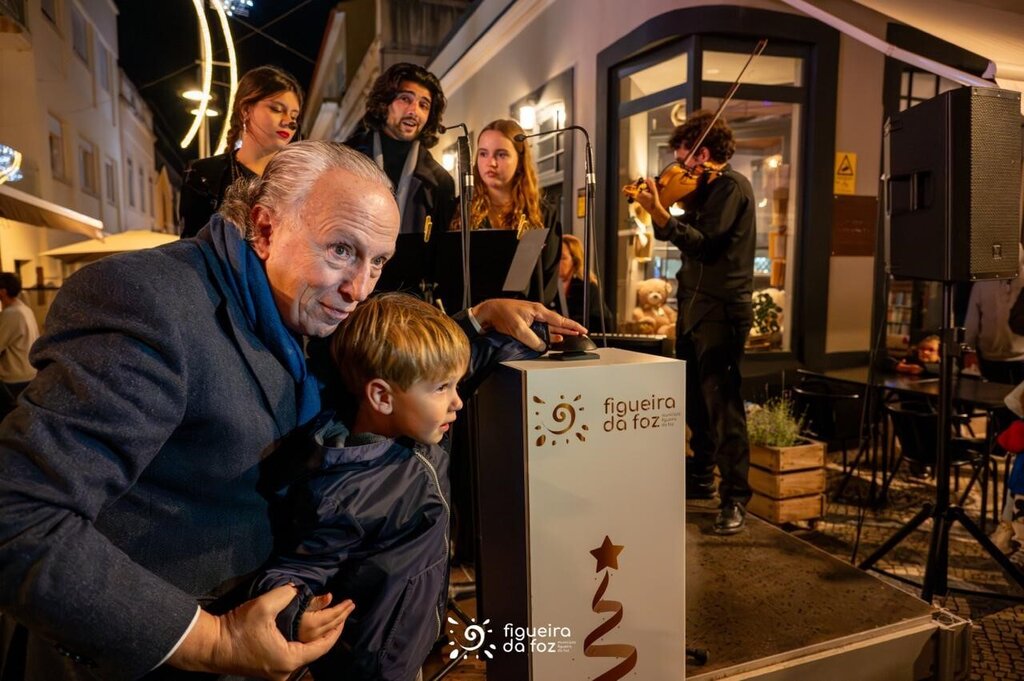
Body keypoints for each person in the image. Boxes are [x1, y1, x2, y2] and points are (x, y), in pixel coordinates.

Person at [0, 140, 584, 680]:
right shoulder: (148, 303)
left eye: (377, 262)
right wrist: (212, 640)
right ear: (263, 227)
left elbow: (380, 378)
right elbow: (18, 515)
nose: (360, 289)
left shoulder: (304, 302)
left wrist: (479, 320)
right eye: (341, 250)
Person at [254, 293, 539, 680]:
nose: (457, 401)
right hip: (373, 667)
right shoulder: (345, 493)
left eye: (456, 385)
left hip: (407, 648)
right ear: (382, 396)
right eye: (443, 388)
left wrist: (530, 333)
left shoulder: (416, 425)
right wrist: (294, 615)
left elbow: (455, 363)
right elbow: (293, 572)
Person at [632, 111, 755, 535]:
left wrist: (661, 214)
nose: (680, 171)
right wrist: (664, 207)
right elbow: (683, 232)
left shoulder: (732, 188)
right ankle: (701, 479)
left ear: (702, 153)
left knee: (724, 407)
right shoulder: (704, 191)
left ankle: (735, 498)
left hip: (723, 310)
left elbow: (704, 246)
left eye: (684, 161)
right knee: (693, 403)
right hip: (693, 307)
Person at [179, 65, 303, 238]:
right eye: (276, 109)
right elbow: (190, 251)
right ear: (246, 110)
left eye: (294, 116)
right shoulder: (205, 176)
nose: (288, 122)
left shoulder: (302, 180)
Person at [453, 118, 563, 305]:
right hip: (473, 318)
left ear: (520, 160)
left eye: (501, 155)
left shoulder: (543, 213)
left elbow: (548, 282)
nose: (491, 163)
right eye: (483, 154)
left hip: (524, 317)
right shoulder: (458, 208)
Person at [345, 62, 455, 236]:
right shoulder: (344, 160)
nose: (414, 111)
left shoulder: (440, 182)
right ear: (384, 102)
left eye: (424, 105)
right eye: (405, 99)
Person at [963, 247, 1024, 385]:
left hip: (1021, 357)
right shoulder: (983, 283)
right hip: (989, 357)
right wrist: (969, 350)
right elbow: (972, 320)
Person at [556, 233, 614, 331]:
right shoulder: (548, 287)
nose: (557, 262)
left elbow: (604, 323)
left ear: (575, 261)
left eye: (563, 258)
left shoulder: (589, 287)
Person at [0, 272, 39, 416]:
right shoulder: (25, 308)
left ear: (3, 292)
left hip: (14, 377)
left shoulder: (11, 314)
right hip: (28, 373)